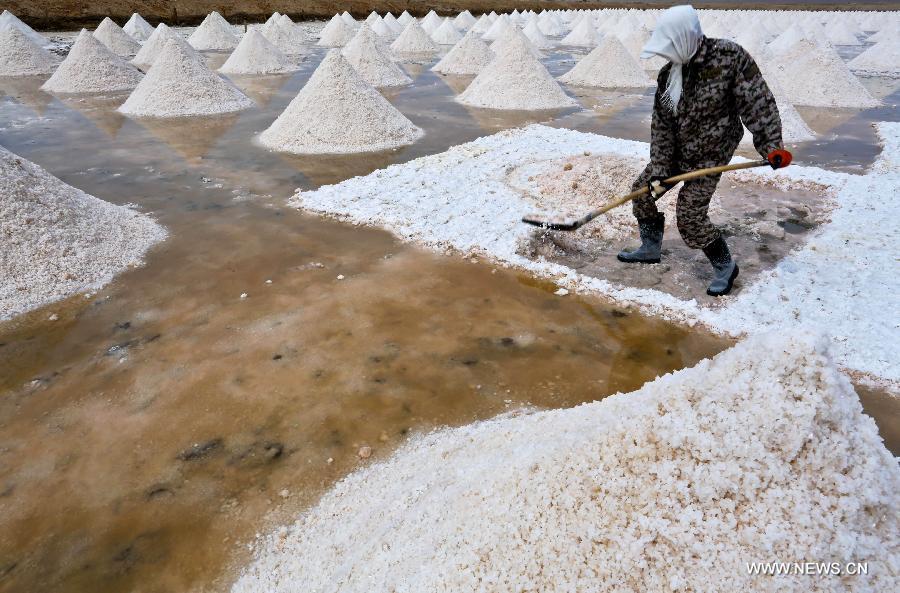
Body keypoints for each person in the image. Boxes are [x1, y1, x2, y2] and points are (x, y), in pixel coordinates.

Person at [617, 4, 789, 296]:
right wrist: (659, 170)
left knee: (690, 215)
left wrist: (771, 146)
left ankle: (725, 266)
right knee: (643, 192)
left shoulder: (729, 59)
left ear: (684, 39)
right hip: (677, 152)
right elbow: (662, 127)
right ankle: (650, 247)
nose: (666, 56)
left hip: (712, 155)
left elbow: (758, 104)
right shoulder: (668, 76)